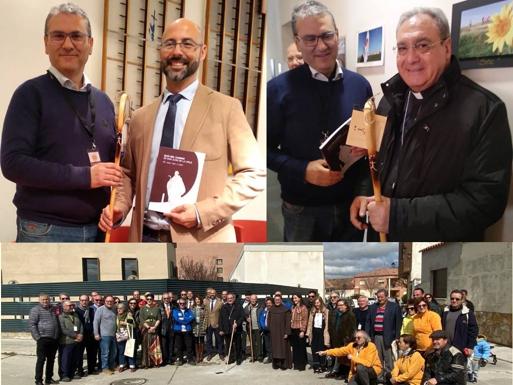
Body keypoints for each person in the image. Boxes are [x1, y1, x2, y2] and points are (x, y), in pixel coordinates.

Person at [350, 7, 512, 241]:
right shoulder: (388, 100)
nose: (411, 58)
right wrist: (366, 196)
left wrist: (397, 215)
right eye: (402, 48)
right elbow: (376, 161)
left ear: (446, 48)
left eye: (423, 45)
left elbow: (485, 202)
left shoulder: (485, 110)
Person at [99, 18, 265, 243]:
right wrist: (118, 207)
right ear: (160, 51)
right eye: (170, 44)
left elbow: (253, 175)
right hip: (145, 239)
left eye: (187, 44)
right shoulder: (140, 117)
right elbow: (128, 174)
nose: (177, 52)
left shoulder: (227, 108)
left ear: (203, 51)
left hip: (204, 242)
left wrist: (201, 213)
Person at [1, 2, 120, 242]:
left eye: (76, 36)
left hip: (97, 230)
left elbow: (112, 170)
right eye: (58, 36)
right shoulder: (29, 95)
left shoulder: (105, 102)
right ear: (46, 43)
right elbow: (13, 163)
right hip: (44, 230)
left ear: (90, 44)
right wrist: (85, 176)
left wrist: (115, 207)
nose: (68, 44)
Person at [267, 0, 373, 242]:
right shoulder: (277, 90)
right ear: (297, 42)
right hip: (301, 209)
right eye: (310, 39)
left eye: (327, 36)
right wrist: (302, 170)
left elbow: (369, 150)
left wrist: (363, 193)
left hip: (350, 205)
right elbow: (263, 151)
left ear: (337, 35)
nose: (321, 46)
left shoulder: (360, 86)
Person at [365, 289, 402, 382]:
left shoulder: (395, 307)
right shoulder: (373, 307)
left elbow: (398, 323)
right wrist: (367, 336)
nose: (380, 299)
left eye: (382, 297)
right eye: (378, 297)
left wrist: (397, 337)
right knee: (378, 359)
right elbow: (368, 322)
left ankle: (390, 378)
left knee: (389, 359)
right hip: (376, 337)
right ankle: (379, 378)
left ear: (386, 296)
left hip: (389, 337)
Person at [29, 293, 60, 385]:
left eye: (47, 299)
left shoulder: (53, 309)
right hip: (42, 339)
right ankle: (38, 380)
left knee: (51, 360)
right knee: (41, 360)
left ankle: (49, 378)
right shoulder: (35, 310)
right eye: (43, 299)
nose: (45, 301)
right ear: (39, 300)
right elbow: (32, 325)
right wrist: (38, 338)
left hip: (54, 338)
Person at [442, 290, 478, 360]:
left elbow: (473, 331)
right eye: (452, 298)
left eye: (457, 299)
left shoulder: (467, 313)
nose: (454, 301)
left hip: (460, 349)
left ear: (462, 300)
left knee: (458, 370)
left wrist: (470, 347)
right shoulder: (445, 311)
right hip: (446, 348)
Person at [326, 299, 356, 380]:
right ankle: (339, 372)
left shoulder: (350, 315)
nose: (339, 307)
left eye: (341, 305)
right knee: (340, 357)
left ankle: (345, 374)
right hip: (337, 339)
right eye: (338, 305)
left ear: (346, 305)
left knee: (345, 358)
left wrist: (347, 340)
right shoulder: (338, 314)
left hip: (345, 340)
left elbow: (352, 330)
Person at [58, 301, 83, 382]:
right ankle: (64, 375)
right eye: (69, 305)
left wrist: (81, 334)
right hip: (66, 341)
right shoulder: (61, 317)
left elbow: (81, 325)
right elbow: (63, 330)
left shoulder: (75, 315)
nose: (71, 307)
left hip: (76, 341)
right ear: (64, 307)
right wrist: (75, 336)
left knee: (74, 358)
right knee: (66, 359)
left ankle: (72, 373)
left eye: (72, 305)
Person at [93, 295, 117, 375]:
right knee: (105, 353)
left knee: (113, 352)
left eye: (111, 301)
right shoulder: (100, 310)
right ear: (104, 301)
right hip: (104, 335)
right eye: (107, 301)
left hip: (113, 335)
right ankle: (105, 368)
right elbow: (96, 322)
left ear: (113, 302)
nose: (109, 302)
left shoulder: (114, 309)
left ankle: (111, 366)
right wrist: (96, 334)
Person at [219, 293, 245, 365]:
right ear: (226, 299)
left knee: (238, 345)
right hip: (227, 329)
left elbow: (242, 317)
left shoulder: (238, 306)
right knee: (228, 345)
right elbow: (220, 319)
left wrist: (237, 324)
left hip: (236, 329)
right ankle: (231, 358)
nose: (229, 299)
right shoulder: (223, 307)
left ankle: (238, 359)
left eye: (231, 298)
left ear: (234, 298)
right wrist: (221, 329)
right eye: (228, 298)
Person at [268, 294, 292, 370]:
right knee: (275, 349)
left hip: (283, 332)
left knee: (283, 348)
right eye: (275, 300)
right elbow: (269, 320)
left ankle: (284, 364)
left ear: (281, 300)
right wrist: (270, 329)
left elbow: (288, 322)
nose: (277, 301)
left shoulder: (286, 309)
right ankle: (276, 364)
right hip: (274, 333)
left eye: (278, 299)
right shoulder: (271, 309)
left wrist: (287, 332)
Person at [307, 296, 330, 373]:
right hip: (314, 333)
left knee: (322, 349)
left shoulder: (326, 311)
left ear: (321, 302)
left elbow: (327, 323)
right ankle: (316, 366)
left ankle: (323, 365)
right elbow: (310, 323)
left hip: (322, 333)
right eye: (315, 303)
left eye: (318, 302)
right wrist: (308, 333)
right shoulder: (312, 311)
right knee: (314, 349)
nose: (317, 304)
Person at [75, 294, 97, 376]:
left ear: (88, 301)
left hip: (90, 335)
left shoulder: (91, 310)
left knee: (91, 354)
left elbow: (94, 321)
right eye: (82, 300)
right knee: (79, 354)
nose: (84, 302)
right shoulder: (76, 311)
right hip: (80, 335)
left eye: (86, 300)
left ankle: (91, 369)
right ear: (79, 301)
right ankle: (79, 370)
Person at [139, 293, 163, 368]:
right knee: (146, 346)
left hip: (154, 329)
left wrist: (154, 327)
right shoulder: (142, 308)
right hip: (146, 330)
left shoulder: (157, 308)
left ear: (153, 299)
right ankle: (147, 363)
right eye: (148, 299)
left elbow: (159, 319)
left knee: (155, 346)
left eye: (151, 299)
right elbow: (142, 320)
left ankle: (155, 362)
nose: (149, 300)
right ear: (146, 300)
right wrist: (148, 328)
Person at [173, 298, 195, 365]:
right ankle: (180, 360)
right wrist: (185, 320)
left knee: (189, 346)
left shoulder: (189, 311)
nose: (182, 305)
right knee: (179, 346)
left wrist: (183, 320)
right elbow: (176, 319)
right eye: (180, 303)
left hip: (187, 330)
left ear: (185, 304)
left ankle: (190, 359)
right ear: (178, 304)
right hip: (178, 330)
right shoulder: (175, 310)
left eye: (183, 303)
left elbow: (191, 318)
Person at [204, 288, 224, 361]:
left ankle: (221, 353)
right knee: (208, 340)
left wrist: (221, 325)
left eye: (213, 293)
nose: (212, 294)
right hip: (208, 324)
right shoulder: (206, 301)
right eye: (211, 293)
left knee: (219, 340)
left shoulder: (220, 302)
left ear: (216, 294)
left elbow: (222, 315)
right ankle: (209, 353)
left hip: (217, 324)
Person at [289, 293, 308, 370]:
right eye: (293, 298)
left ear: (300, 298)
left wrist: (303, 331)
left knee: (301, 348)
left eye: (296, 298)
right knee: (295, 348)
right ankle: (296, 364)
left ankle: (302, 365)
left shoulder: (303, 308)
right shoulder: (292, 307)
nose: (294, 300)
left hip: (300, 330)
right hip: (293, 329)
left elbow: (305, 320)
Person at [115, 303, 136, 372]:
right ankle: (122, 365)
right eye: (118, 308)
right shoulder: (116, 316)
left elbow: (133, 325)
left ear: (124, 309)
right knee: (121, 351)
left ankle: (132, 365)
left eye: (121, 308)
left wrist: (125, 323)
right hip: (120, 336)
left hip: (128, 336)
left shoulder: (128, 316)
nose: (119, 310)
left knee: (129, 350)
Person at [245, 294, 263, 362]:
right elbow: (244, 316)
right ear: (250, 300)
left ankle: (259, 356)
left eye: (254, 299)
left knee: (259, 342)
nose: (253, 300)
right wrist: (246, 318)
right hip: (250, 328)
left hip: (258, 327)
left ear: (256, 299)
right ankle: (253, 355)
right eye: (252, 299)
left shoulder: (260, 307)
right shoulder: (247, 307)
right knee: (252, 342)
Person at [159, 292, 175, 365]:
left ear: (170, 299)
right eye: (164, 298)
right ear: (162, 299)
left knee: (171, 345)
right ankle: (164, 360)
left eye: (167, 298)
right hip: (163, 328)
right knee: (163, 345)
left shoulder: (173, 306)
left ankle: (170, 359)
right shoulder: (159, 307)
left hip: (172, 328)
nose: (166, 300)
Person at [191, 296, 208, 363]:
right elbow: (190, 318)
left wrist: (204, 327)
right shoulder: (192, 308)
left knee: (201, 341)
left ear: (200, 300)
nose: (197, 301)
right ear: (195, 300)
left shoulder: (203, 308)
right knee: (195, 342)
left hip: (201, 327)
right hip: (195, 327)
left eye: (198, 299)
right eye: (196, 299)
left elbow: (206, 318)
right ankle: (197, 356)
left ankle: (201, 355)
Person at [258, 297, 274, 363]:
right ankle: (269, 357)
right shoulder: (264, 310)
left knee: (273, 345)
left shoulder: (274, 310)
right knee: (267, 345)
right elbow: (261, 319)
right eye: (267, 303)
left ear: (272, 303)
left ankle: (274, 358)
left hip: (273, 330)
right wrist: (263, 327)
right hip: (265, 330)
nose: (268, 304)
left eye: (270, 303)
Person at [127, 298, 141, 369]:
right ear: (128, 304)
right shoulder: (126, 311)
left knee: (134, 348)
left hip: (136, 331)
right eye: (131, 303)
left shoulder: (138, 311)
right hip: (128, 332)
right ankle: (129, 364)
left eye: (134, 303)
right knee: (128, 348)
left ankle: (133, 363)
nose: (133, 304)